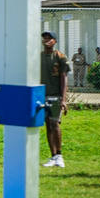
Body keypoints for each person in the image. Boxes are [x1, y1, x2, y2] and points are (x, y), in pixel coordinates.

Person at [40, 31, 70, 168]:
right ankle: (52, 156)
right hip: (41, 96)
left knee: (55, 124)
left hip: (55, 95)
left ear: (55, 41)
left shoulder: (60, 57)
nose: (46, 40)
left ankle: (59, 155)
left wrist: (63, 99)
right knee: (47, 125)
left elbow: (64, 78)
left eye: (49, 38)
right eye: (44, 38)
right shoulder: (38, 57)